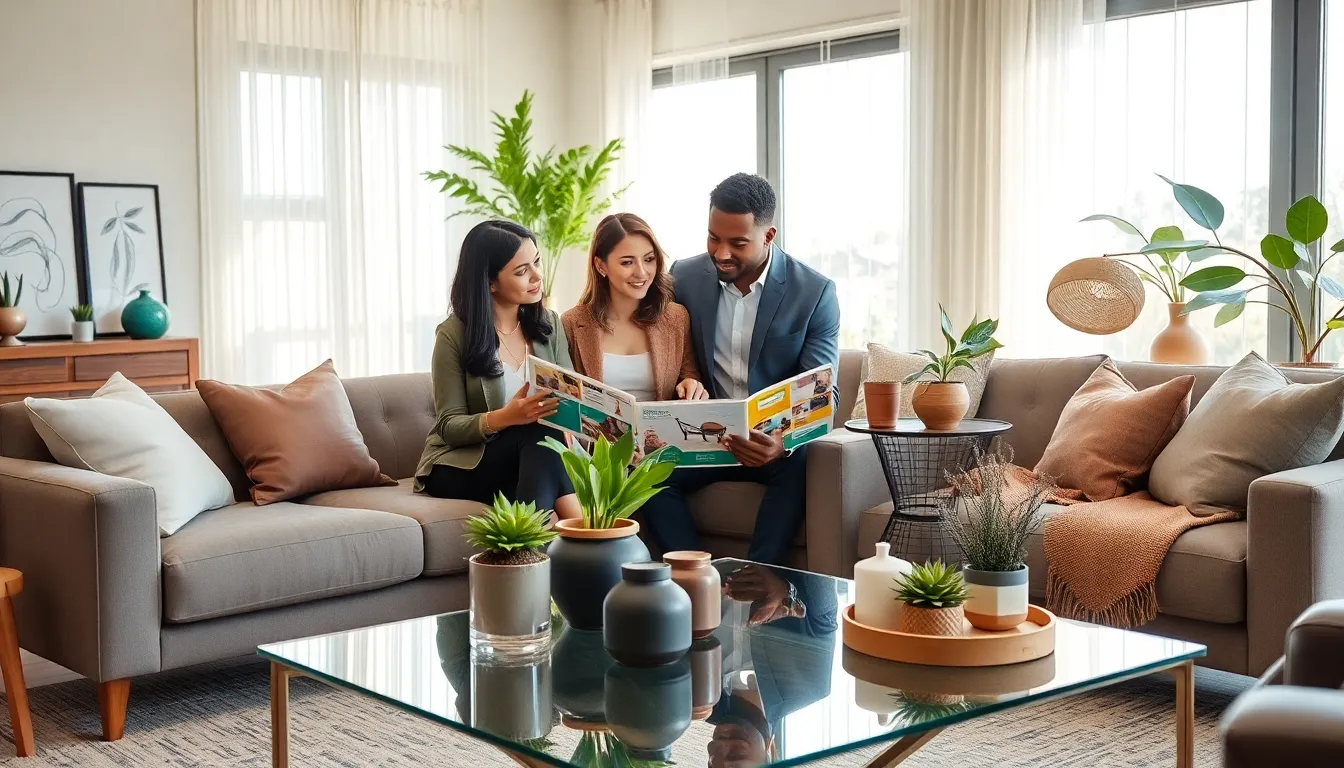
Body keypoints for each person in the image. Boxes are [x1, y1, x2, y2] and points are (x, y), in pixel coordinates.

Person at [639, 173, 840, 565]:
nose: (722, 252)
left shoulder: (814, 293)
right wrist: (687, 378)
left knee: (801, 461)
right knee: (650, 473)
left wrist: (781, 441)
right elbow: (668, 348)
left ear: (769, 236)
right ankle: (694, 573)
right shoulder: (685, 277)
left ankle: (756, 580)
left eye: (737, 242)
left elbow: (823, 394)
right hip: (708, 438)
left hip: (775, 446)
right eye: (714, 237)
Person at [413, 219, 581, 519]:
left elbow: (570, 398)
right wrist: (507, 417)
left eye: (537, 263)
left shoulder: (549, 324)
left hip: (529, 455)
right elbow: (449, 427)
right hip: (461, 462)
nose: (537, 276)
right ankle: (584, 529)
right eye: (521, 271)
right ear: (490, 282)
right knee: (538, 434)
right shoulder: (453, 335)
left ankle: (532, 551)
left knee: (542, 440)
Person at [562, 212, 709, 402]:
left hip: (661, 431)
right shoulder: (572, 323)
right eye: (627, 262)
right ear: (600, 266)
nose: (641, 273)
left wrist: (691, 385)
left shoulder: (676, 317)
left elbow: (690, 376)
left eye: (648, 259)